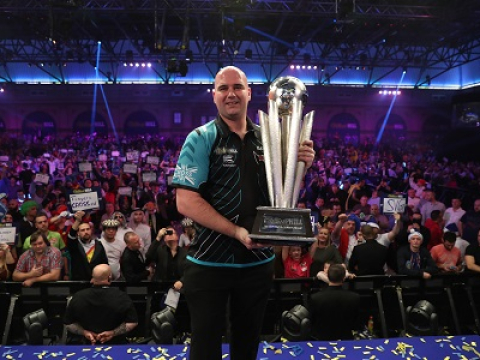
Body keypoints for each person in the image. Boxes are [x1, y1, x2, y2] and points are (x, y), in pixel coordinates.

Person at [172, 66, 315, 360]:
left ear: (250, 93)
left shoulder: (271, 139)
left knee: (248, 345)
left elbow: (281, 194)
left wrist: (300, 165)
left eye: (238, 87)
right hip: (209, 263)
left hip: (257, 263)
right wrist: (236, 232)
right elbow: (185, 201)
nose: (231, 94)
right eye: (223, 88)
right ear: (214, 96)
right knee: (205, 347)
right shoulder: (200, 138)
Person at [64, 264, 138, 344]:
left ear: (92, 279)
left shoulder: (78, 297)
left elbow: (68, 323)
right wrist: (113, 333)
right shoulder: (122, 297)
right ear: (109, 278)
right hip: (117, 345)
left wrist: (85, 332)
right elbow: (132, 322)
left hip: (87, 345)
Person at [308, 264, 360, 340]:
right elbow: (356, 323)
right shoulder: (354, 297)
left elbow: (311, 322)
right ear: (343, 278)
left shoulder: (315, 298)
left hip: (321, 341)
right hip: (346, 340)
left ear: (328, 277)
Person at [67, 211, 109, 281]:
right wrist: (78, 221)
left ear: (91, 230)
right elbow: (71, 235)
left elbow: (104, 263)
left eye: (88, 229)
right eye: (82, 230)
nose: (86, 232)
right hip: (79, 283)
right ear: (78, 233)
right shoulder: (75, 245)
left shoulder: (98, 244)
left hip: (97, 282)